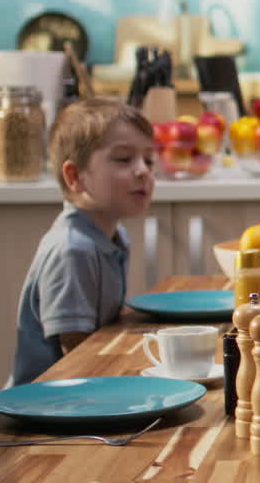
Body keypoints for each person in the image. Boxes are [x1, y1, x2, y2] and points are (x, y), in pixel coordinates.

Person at [8, 98, 156, 386]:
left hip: (86, 388)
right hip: (50, 407)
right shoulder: (73, 249)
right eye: (124, 159)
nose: (143, 171)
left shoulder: (112, 236)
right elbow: (77, 356)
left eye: (148, 160)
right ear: (75, 176)